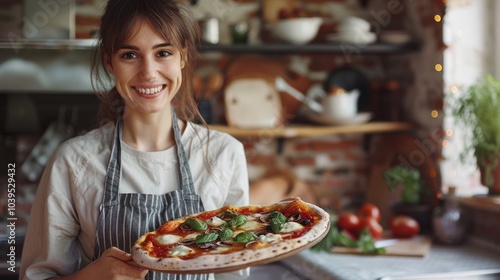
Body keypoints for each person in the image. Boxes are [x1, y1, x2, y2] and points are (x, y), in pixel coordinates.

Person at [19, 0, 249, 279]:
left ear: (183, 57)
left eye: (163, 52)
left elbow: (234, 274)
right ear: (109, 62)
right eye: (130, 55)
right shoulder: (73, 161)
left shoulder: (224, 154)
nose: (149, 72)